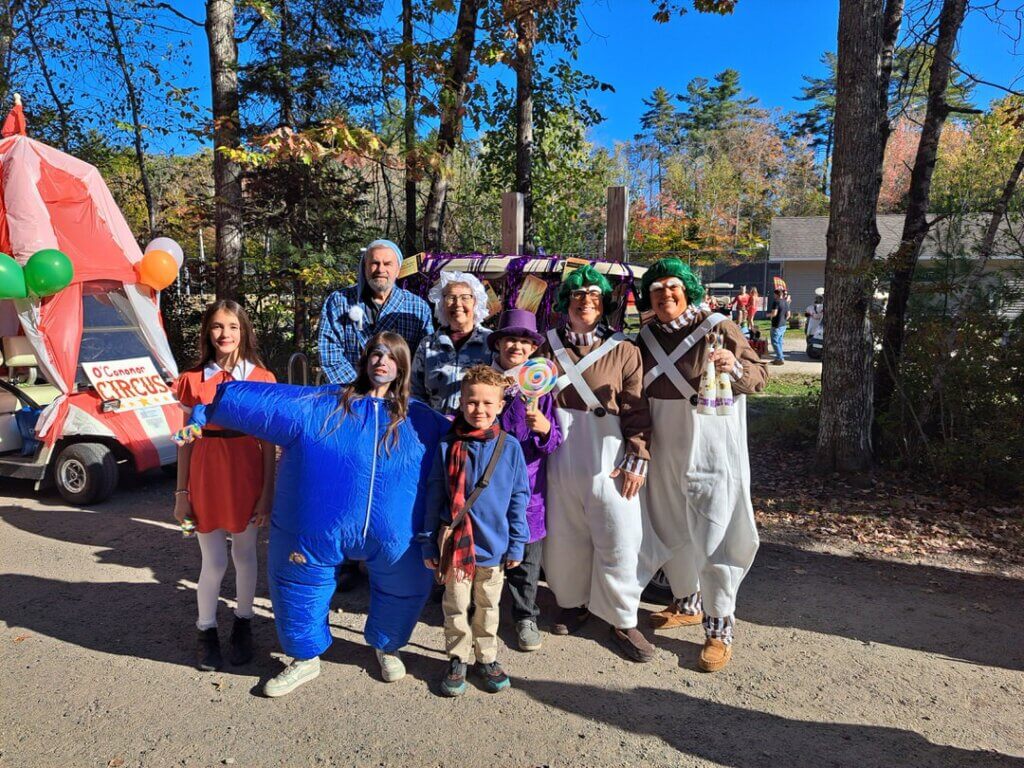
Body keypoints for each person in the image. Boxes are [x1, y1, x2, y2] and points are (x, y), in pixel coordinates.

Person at [175, 332, 450, 696]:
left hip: (395, 536)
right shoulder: (321, 404)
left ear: (402, 365)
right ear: (365, 360)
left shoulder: (422, 421)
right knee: (297, 584)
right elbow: (260, 402)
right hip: (312, 529)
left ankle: (387, 644)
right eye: (375, 354)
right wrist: (209, 409)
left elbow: (478, 437)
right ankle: (305, 658)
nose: (382, 362)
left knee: (403, 589)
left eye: (391, 356)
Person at [635, 259, 767, 672]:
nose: (665, 294)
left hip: (710, 446)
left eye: (673, 286)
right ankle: (687, 602)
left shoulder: (718, 326)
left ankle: (718, 627)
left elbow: (759, 376)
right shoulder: (644, 336)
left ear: (688, 289)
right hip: (664, 446)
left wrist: (737, 366)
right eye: (657, 288)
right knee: (671, 527)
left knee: (715, 532)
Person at [541, 264, 664, 663]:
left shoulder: (624, 349)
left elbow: (635, 408)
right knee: (563, 539)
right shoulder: (545, 347)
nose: (587, 302)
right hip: (559, 454)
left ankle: (622, 619)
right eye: (579, 295)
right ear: (566, 302)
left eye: (595, 296)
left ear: (605, 303)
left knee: (620, 538)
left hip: (608, 455)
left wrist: (637, 458)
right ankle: (573, 602)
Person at [172, 300, 277, 672]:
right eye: (217, 327)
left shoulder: (262, 379)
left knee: (245, 555)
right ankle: (206, 631)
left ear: (243, 330)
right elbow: (186, 442)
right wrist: (181, 494)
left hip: (246, 473)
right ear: (207, 333)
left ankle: (244, 624)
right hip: (206, 474)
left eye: (232, 326)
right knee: (213, 561)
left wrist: (267, 493)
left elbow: (268, 442)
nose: (225, 334)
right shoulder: (191, 380)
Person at [421, 365, 530, 696]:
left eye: (486, 403)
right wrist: (429, 543)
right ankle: (457, 656)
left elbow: (518, 498)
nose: (478, 410)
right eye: (471, 402)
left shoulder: (510, 448)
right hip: (456, 548)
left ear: (499, 406)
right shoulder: (447, 446)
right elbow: (434, 497)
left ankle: (487, 657)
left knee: (489, 606)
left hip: (494, 548)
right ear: (461, 403)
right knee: (455, 605)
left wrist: (516, 544)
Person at [489, 309, 563, 652]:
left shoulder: (543, 389)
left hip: (530, 487)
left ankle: (524, 615)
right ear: (499, 343)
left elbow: (556, 438)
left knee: (527, 555)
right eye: (510, 339)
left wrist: (545, 429)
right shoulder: (484, 380)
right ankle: (480, 611)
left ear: (533, 349)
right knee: (486, 549)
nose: (516, 346)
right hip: (488, 486)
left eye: (523, 341)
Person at [318, 239, 433, 385]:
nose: (380, 269)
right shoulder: (339, 301)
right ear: (364, 267)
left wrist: (395, 392)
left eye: (387, 264)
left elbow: (422, 361)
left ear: (398, 270)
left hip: (396, 398)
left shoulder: (418, 308)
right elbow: (330, 355)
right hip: (348, 395)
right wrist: (358, 390)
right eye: (374, 263)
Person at [411, 271, 493, 417]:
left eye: (465, 298)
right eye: (451, 297)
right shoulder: (428, 345)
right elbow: (414, 392)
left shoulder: (491, 342)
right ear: (442, 303)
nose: (457, 304)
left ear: (476, 302)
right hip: (435, 430)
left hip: (477, 431)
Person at [768, 288, 791, 365]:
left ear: (777, 294)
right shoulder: (786, 302)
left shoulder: (776, 302)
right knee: (779, 342)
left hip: (776, 325)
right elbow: (788, 315)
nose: (774, 296)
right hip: (783, 325)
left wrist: (768, 315)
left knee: (774, 342)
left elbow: (774, 313)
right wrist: (783, 320)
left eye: (774, 294)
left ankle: (780, 358)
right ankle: (780, 357)